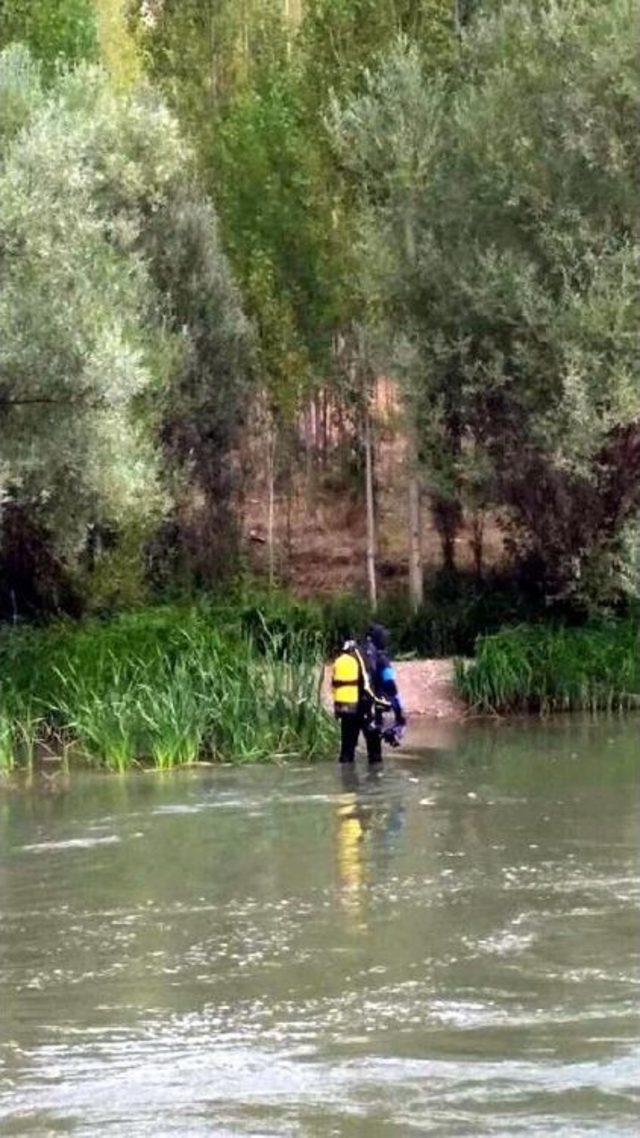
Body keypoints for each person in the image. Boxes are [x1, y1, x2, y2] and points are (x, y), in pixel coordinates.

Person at [331, 622, 406, 765]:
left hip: (348, 708)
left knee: (346, 755)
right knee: (375, 757)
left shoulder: (354, 653)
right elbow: (390, 686)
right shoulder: (380, 658)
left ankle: (347, 784)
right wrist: (399, 716)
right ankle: (375, 783)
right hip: (370, 710)